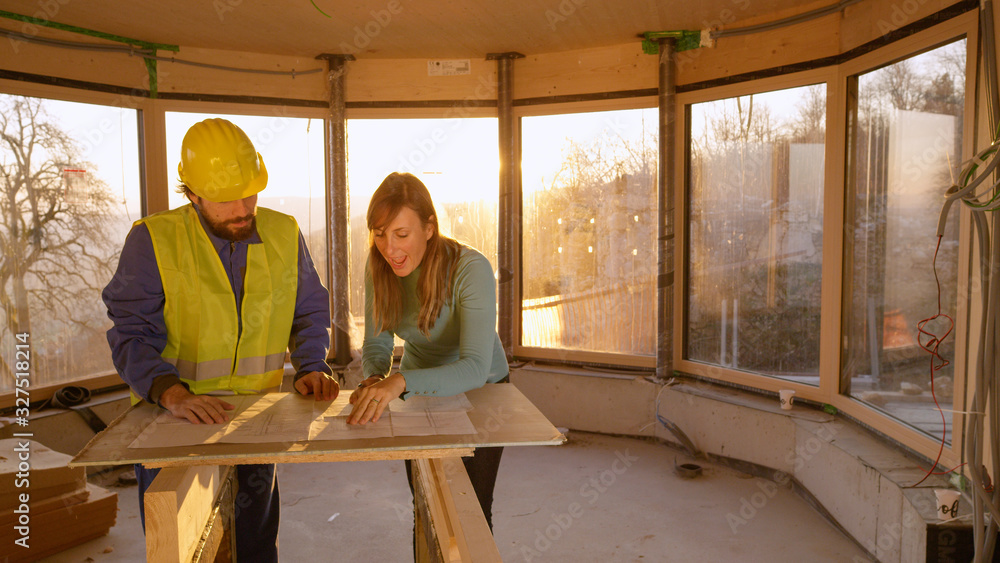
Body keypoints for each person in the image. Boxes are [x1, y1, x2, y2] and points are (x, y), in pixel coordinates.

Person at [101, 118, 338, 563]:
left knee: (253, 545)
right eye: (226, 199)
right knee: (181, 545)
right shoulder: (152, 240)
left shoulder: (284, 233)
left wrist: (310, 365)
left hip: (254, 421)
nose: (242, 208)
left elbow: (307, 309)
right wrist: (168, 391)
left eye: (249, 193)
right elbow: (131, 332)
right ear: (191, 194)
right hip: (173, 421)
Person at [348, 172, 509, 536]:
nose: (389, 248)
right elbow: (377, 343)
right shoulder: (378, 267)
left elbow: (473, 368)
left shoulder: (471, 268)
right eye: (379, 233)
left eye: (401, 234)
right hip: (416, 391)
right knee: (426, 506)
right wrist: (375, 378)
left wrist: (399, 381)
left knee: (471, 512)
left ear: (429, 228)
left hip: (482, 389)